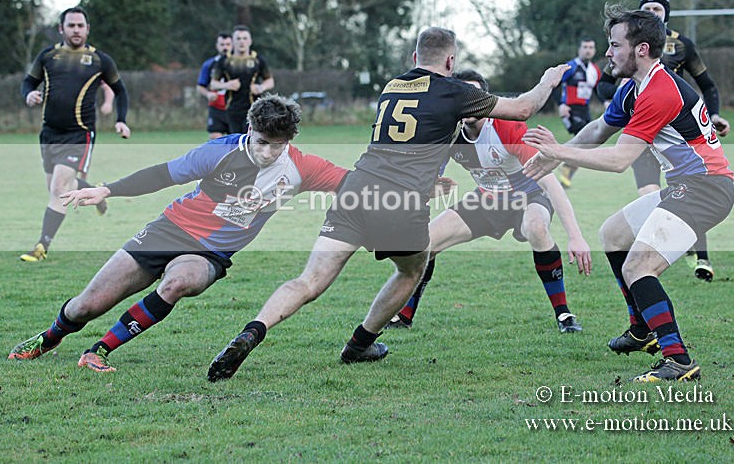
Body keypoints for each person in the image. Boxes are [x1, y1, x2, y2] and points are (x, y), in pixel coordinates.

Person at [207, 27, 569, 382]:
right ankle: (359, 344)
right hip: (401, 203)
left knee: (309, 280)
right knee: (411, 270)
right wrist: (548, 81)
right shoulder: (454, 91)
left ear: (414, 58)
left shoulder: (392, 87)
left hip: (356, 188)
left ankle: (253, 330)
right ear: (451, 60)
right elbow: (523, 109)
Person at [8, 95, 349, 372]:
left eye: (277, 145)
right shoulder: (219, 152)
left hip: (209, 254)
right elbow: (163, 175)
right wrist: (107, 191)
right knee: (86, 306)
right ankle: (50, 337)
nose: (267, 153)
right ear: (250, 128)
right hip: (170, 230)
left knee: (180, 282)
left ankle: (98, 351)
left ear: (289, 140)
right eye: (261, 142)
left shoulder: (301, 168)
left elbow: (353, 181)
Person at [523, 5, 734, 382]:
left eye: (615, 45)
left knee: (640, 266)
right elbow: (597, 131)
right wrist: (554, 158)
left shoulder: (659, 91)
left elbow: (621, 159)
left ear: (640, 50)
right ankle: (642, 329)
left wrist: (558, 151)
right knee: (614, 234)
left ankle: (678, 359)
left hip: (707, 189)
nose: (608, 52)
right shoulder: (633, 88)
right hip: (687, 186)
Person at [386, 69, 591, 333]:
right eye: (463, 95)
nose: (468, 101)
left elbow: (548, 182)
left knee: (536, 228)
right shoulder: (450, 132)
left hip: (527, 196)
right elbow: (426, 174)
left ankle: (564, 314)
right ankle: (404, 316)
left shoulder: (504, 126)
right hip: (486, 199)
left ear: (486, 99)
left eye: (475, 95)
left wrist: (575, 236)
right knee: (423, 243)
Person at [597, 0, 731, 282]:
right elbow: (605, 85)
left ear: (666, 14)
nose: (652, 12)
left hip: (674, 133)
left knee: (680, 198)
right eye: (646, 8)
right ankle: (649, 265)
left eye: (658, 8)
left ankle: (697, 256)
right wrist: (616, 101)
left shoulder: (682, 46)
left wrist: (713, 114)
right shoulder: (627, 53)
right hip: (641, 136)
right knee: (646, 197)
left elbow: (705, 85)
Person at [19, 6, 131, 263]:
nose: (76, 30)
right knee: (56, 188)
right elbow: (28, 81)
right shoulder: (48, 56)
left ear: (87, 29)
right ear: (62, 29)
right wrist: (28, 94)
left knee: (59, 188)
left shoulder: (100, 60)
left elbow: (120, 90)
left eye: (81, 25)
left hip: (79, 134)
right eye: (71, 26)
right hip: (49, 133)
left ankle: (41, 246)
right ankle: (93, 192)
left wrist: (121, 120)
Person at [555, 36, 601, 188]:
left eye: (591, 47)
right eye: (585, 47)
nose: (588, 50)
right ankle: (559, 161)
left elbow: (598, 90)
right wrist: (561, 104)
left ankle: (566, 170)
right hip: (570, 109)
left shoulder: (594, 70)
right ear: (579, 49)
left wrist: (607, 102)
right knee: (581, 139)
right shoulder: (571, 67)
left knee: (585, 142)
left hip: (584, 110)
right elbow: (554, 85)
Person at [210, 25, 274, 134]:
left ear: (250, 41)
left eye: (244, 38)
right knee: (236, 142)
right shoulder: (224, 60)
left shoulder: (258, 59)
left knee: (250, 141)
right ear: (233, 42)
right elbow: (213, 84)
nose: (241, 42)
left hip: (254, 109)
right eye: (238, 39)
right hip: (232, 109)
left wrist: (261, 87)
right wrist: (227, 85)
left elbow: (270, 81)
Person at [197, 31, 233, 139]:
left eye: (228, 44)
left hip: (235, 108)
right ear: (217, 46)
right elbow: (200, 86)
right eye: (222, 45)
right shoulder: (209, 64)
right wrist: (208, 94)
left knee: (238, 141)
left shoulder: (239, 64)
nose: (225, 47)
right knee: (215, 137)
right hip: (216, 107)